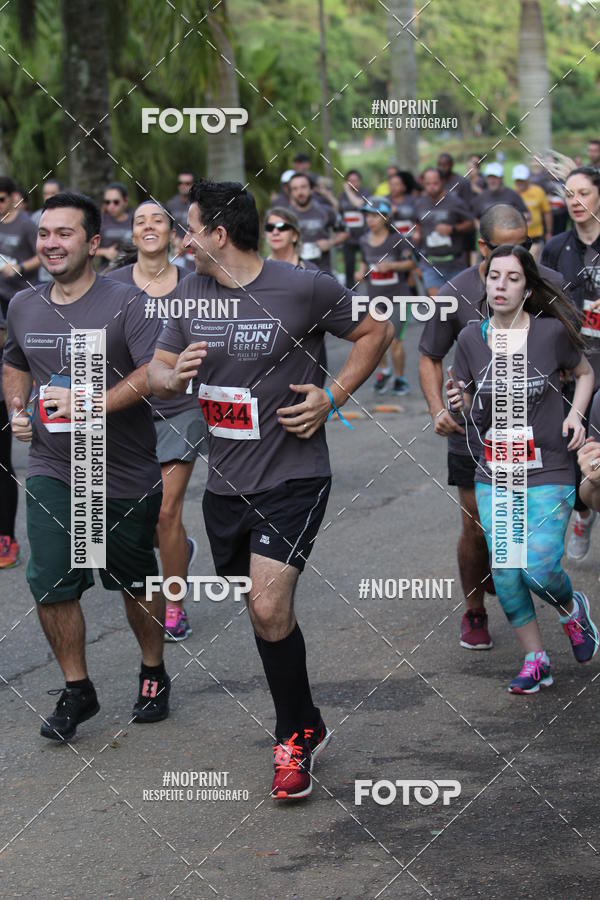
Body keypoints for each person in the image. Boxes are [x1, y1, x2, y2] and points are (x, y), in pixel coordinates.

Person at [148, 178, 392, 800]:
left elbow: (376, 332)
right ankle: (308, 717)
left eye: (189, 227)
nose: (182, 240)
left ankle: (292, 738)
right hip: (227, 484)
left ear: (218, 235)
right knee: (262, 609)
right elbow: (158, 369)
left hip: (294, 474)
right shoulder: (189, 295)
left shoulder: (303, 286)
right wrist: (174, 374)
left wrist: (332, 398)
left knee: (266, 604)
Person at [2, 191, 170, 740]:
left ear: (93, 243)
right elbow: (15, 360)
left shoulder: (129, 303)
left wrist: (91, 401)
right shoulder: (24, 304)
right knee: (50, 581)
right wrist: (17, 409)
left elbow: (153, 374)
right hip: (54, 466)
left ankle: (152, 668)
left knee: (132, 580)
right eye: (45, 234)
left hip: (120, 471)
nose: (51, 243)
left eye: (65, 233)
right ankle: (79, 690)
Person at [447, 244, 597, 693]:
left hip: (549, 465)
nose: (501, 285)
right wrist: (463, 402)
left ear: (527, 286)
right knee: (507, 570)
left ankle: (572, 608)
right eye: (495, 276)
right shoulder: (471, 339)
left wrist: (576, 414)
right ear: (485, 281)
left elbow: (585, 372)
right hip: (497, 470)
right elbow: (475, 408)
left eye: (512, 278)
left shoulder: (550, 333)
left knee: (537, 568)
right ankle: (536, 659)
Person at [419, 204, 564, 650]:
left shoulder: (548, 285)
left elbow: (574, 352)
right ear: (483, 247)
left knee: (532, 535)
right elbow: (430, 355)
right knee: (478, 525)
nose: (521, 254)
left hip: (537, 438)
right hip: (475, 435)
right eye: (511, 245)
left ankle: (535, 593)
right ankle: (475, 609)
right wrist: (437, 410)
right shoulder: (454, 293)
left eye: (527, 244)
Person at [108, 200, 206, 641]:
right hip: (127, 419)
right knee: (141, 519)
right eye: (140, 221)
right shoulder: (108, 287)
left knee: (167, 512)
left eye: (158, 221)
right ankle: (179, 553)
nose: (149, 227)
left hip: (179, 412)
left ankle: (174, 606)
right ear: (132, 234)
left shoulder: (195, 284)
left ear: (172, 233)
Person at [542, 166, 600, 560]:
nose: (574, 201)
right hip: (572, 363)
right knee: (572, 446)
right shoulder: (554, 248)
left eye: (583, 193)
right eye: (569, 193)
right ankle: (583, 511)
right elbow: (542, 306)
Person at [355, 197, 414, 395]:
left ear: (386, 217)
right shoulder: (364, 240)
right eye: (367, 216)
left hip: (398, 297)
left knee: (395, 341)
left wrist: (392, 266)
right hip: (375, 299)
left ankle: (400, 378)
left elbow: (411, 264)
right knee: (377, 338)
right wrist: (360, 273)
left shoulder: (398, 239)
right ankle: (384, 371)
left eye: (374, 215)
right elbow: (363, 264)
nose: (370, 220)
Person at [414, 167, 474, 296]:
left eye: (435, 183)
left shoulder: (455, 201)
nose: (432, 187)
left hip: (454, 263)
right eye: (428, 184)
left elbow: (471, 223)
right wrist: (417, 232)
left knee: (455, 304)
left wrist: (453, 229)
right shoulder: (420, 203)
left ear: (442, 182)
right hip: (431, 263)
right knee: (438, 306)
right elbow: (417, 222)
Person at [287, 172, 347, 272]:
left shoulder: (326, 211)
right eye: (295, 189)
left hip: (322, 271)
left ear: (311, 189)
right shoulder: (285, 215)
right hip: (294, 272)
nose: (300, 192)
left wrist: (330, 242)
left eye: (303, 187)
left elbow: (345, 231)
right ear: (291, 192)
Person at [512, 164, 552, 261]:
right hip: (516, 237)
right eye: (518, 180)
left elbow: (547, 212)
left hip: (535, 236)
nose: (520, 183)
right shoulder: (512, 193)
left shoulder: (538, 191)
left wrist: (549, 231)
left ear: (528, 179)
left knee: (532, 263)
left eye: (522, 180)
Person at [338, 170, 368, 287]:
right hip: (349, 237)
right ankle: (350, 296)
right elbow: (339, 211)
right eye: (350, 181)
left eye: (355, 181)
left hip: (364, 236)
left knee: (367, 264)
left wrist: (347, 190)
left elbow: (358, 204)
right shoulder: (342, 196)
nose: (353, 183)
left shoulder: (365, 192)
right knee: (349, 267)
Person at [96, 183, 133, 269]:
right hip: (107, 273)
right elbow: (86, 248)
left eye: (116, 202)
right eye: (107, 202)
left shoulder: (136, 221)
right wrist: (105, 252)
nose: (111, 206)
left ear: (126, 201)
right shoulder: (100, 221)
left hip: (132, 272)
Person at [166, 170, 195, 237]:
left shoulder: (199, 205)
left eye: (187, 183)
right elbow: (166, 227)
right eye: (180, 183)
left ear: (193, 184)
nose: (183, 186)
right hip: (175, 244)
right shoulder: (170, 205)